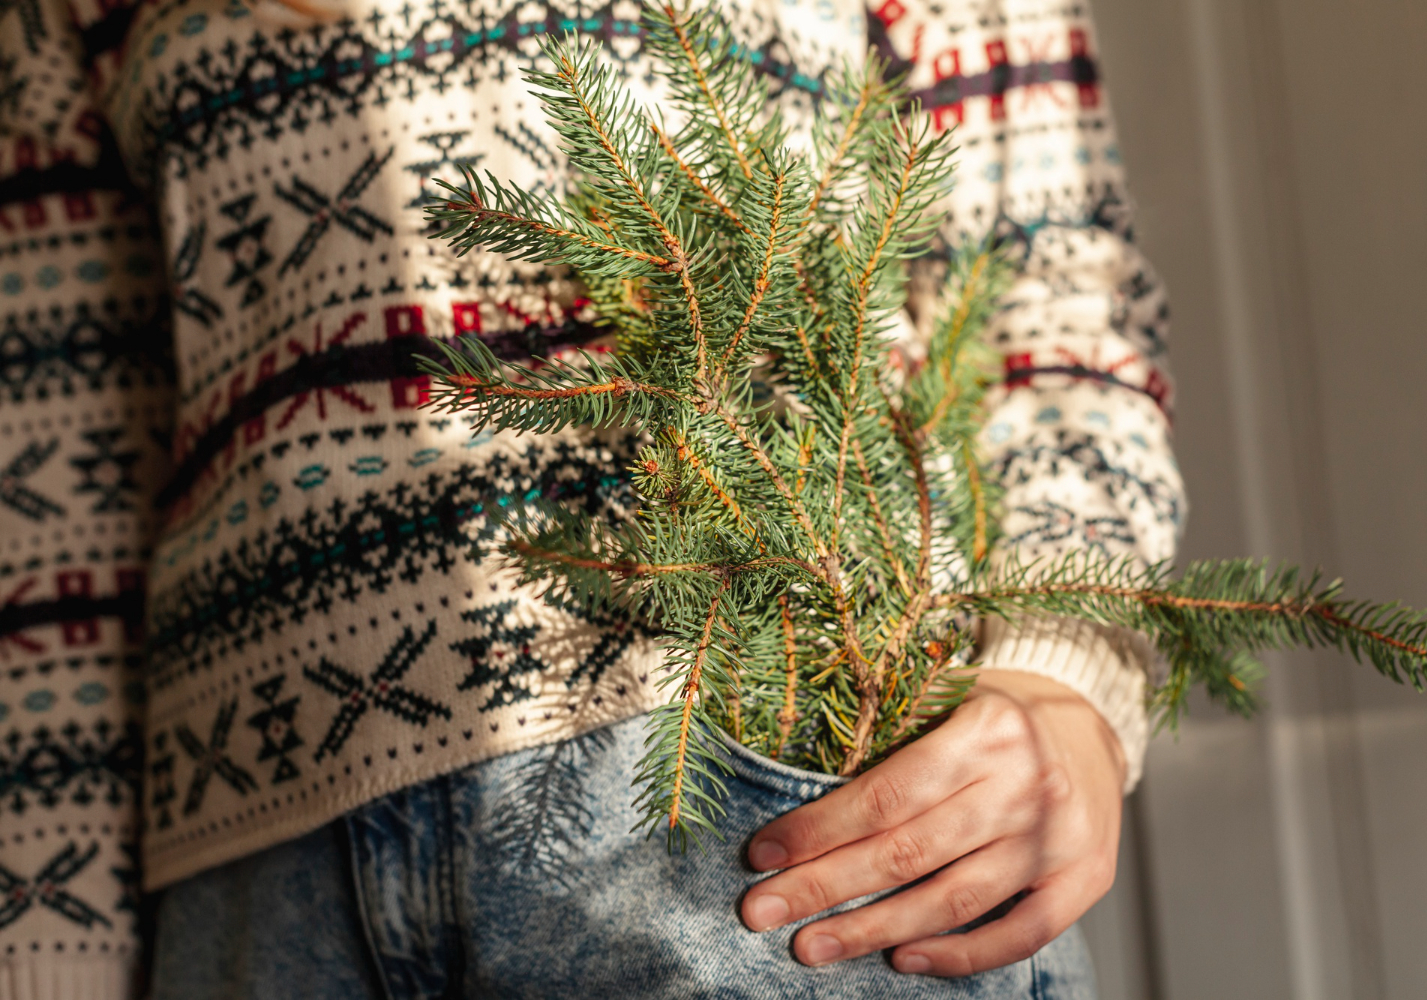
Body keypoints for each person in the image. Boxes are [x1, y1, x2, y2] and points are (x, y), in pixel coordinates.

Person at [0, 0, 1182, 995]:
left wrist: (1060, 675)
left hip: (761, 780)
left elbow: (1056, 297)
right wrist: (45, 954)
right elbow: (57, 477)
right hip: (252, 871)